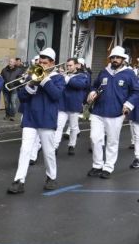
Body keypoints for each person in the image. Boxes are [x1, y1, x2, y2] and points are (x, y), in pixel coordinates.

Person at [6, 48, 64, 194]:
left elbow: (56, 96)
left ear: (52, 63)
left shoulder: (58, 78)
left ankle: (51, 177)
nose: (42, 65)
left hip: (47, 119)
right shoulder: (32, 74)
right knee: (25, 149)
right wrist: (30, 85)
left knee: (48, 151)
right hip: (30, 117)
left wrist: (44, 80)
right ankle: (19, 181)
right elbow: (22, 97)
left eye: (45, 63)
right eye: (40, 62)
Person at [86, 45, 138, 179]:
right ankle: (97, 165)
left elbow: (136, 91)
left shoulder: (129, 73)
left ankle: (108, 167)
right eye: (112, 57)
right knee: (95, 138)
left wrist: (128, 105)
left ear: (123, 59)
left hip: (116, 113)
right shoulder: (104, 71)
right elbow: (95, 85)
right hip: (98, 111)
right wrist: (92, 92)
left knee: (112, 141)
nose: (114, 59)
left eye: (117, 58)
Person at [55, 57, 89, 157]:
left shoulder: (82, 76)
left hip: (74, 105)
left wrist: (66, 78)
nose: (68, 67)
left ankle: (72, 145)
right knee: (58, 126)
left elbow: (79, 85)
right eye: (67, 65)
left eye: (70, 65)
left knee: (73, 127)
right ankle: (55, 146)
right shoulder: (64, 75)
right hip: (62, 104)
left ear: (77, 66)